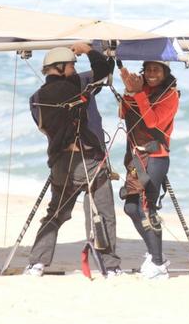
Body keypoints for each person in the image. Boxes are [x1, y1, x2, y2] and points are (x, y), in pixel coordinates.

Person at [24, 42, 121, 277]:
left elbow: (45, 128)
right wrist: (88, 50)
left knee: (55, 214)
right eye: (71, 66)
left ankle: (37, 263)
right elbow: (104, 70)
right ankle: (109, 266)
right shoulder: (77, 85)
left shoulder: (35, 98)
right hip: (88, 160)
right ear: (59, 68)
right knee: (102, 212)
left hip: (59, 163)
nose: (74, 70)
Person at [119, 60, 180, 279]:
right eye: (149, 70)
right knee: (131, 208)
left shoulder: (170, 95)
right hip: (137, 157)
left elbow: (152, 121)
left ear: (165, 73)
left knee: (147, 209)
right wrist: (129, 90)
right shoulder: (141, 89)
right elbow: (123, 114)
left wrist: (138, 94)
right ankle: (153, 252)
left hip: (156, 157)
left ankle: (158, 263)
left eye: (157, 70)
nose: (152, 74)